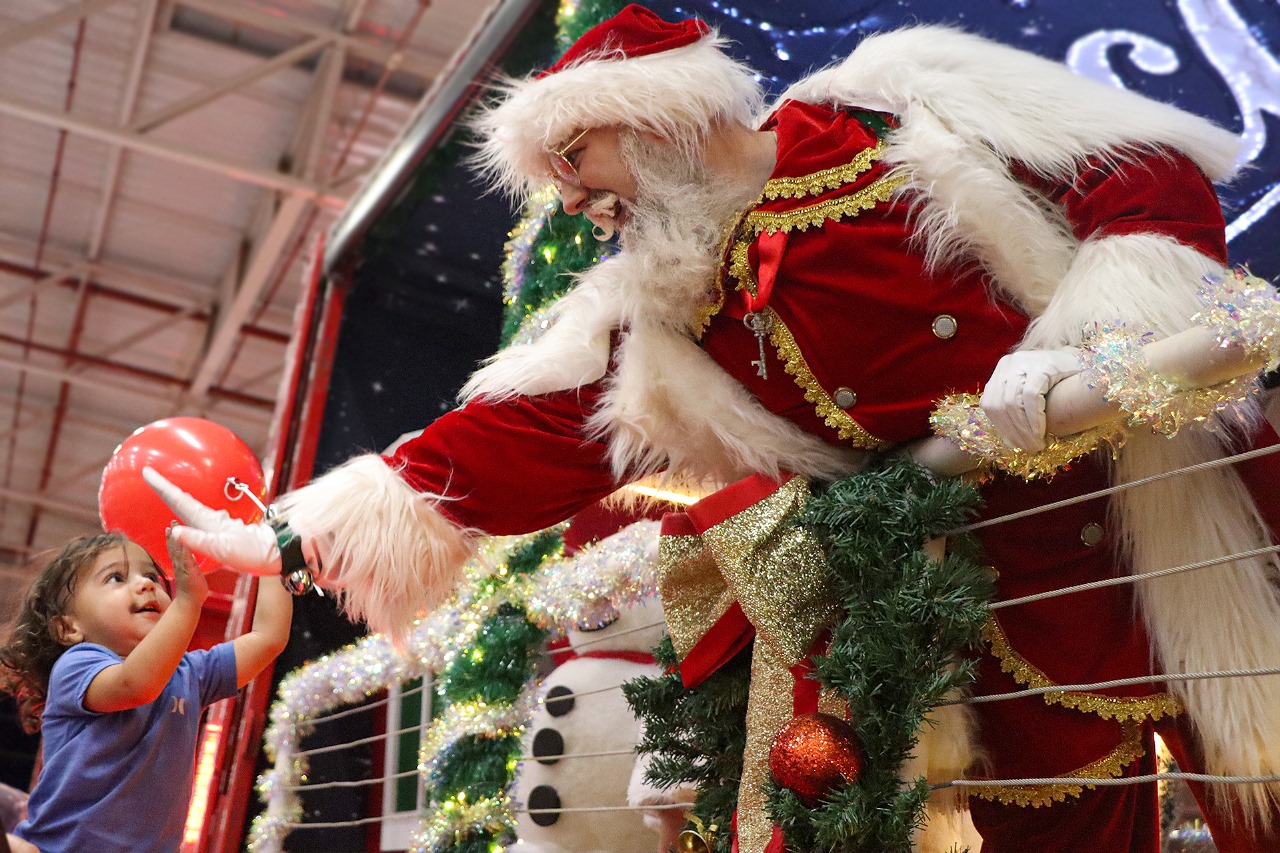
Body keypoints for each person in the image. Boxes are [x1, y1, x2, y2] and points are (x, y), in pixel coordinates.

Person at [149, 6, 1280, 851]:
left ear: (652, 109)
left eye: (574, 161)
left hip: (1179, 497)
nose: (577, 204)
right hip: (1006, 607)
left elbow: (1136, 169)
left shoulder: (898, 97)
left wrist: (1089, 348)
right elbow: (518, 436)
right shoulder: (668, 312)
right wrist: (298, 539)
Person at [0, 525, 292, 853]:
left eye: (152, 574)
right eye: (116, 578)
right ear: (69, 628)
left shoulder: (190, 673)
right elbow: (136, 686)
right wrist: (188, 602)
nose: (146, 583)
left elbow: (268, 638)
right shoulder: (77, 664)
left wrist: (272, 558)